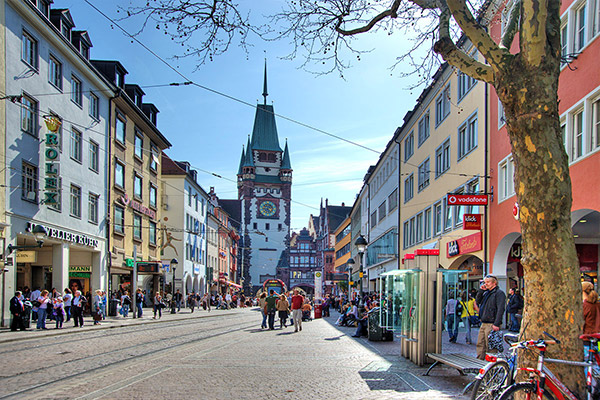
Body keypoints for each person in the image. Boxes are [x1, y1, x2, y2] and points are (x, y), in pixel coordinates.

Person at [475, 275, 506, 360]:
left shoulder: (499, 293)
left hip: (491, 323)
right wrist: (481, 291)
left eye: (488, 282)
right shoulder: (487, 293)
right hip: (484, 322)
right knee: (480, 344)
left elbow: (501, 309)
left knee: (491, 346)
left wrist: (496, 323)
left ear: (494, 283)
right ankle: (479, 363)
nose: (486, 284)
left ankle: (491, 366)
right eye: (485, 282)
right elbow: (477, 301)